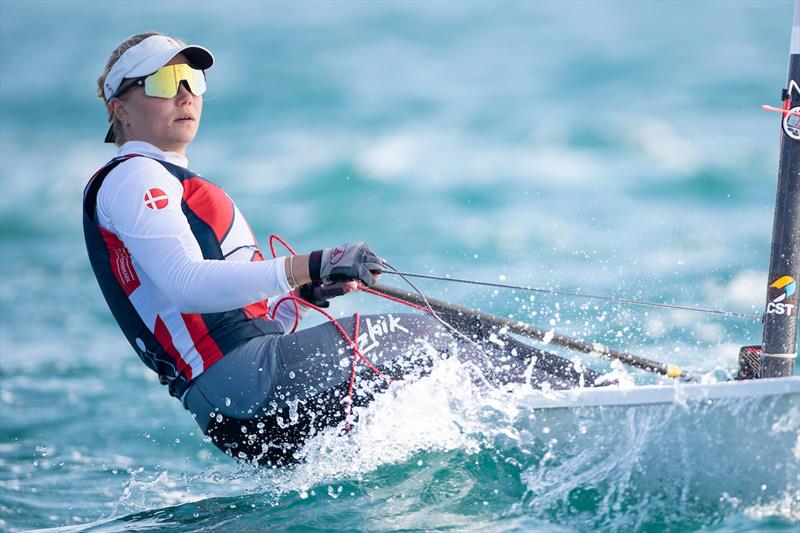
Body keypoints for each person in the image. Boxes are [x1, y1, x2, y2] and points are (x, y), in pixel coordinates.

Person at [85, 33, 585, 466]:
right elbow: (185, 285)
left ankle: (564, 405)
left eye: (194, 81)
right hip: (246, 383)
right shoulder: (135, 176)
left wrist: (302, 292)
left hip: (237, 403)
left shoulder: (161, 180)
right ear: (120, 108)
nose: (185, 94)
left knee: (451, 352)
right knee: (436, 337)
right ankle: (591, 402)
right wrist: (307, 263)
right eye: (164, 83)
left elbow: (210, 311)